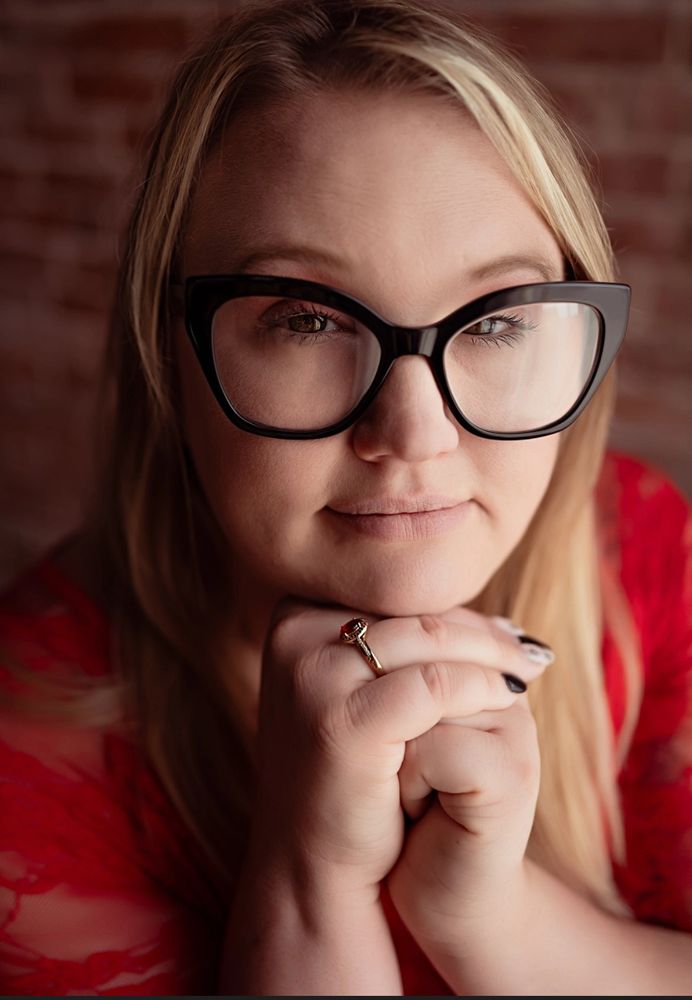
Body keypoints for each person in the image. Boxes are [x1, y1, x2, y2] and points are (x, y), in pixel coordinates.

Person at [0, 0, 690, 993]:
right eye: (306, 320)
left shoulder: (647, 553)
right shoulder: (25, 752)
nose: (412, 434)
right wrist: (307, 887)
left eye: (496, 321)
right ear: (169, 354)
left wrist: (489, 919)